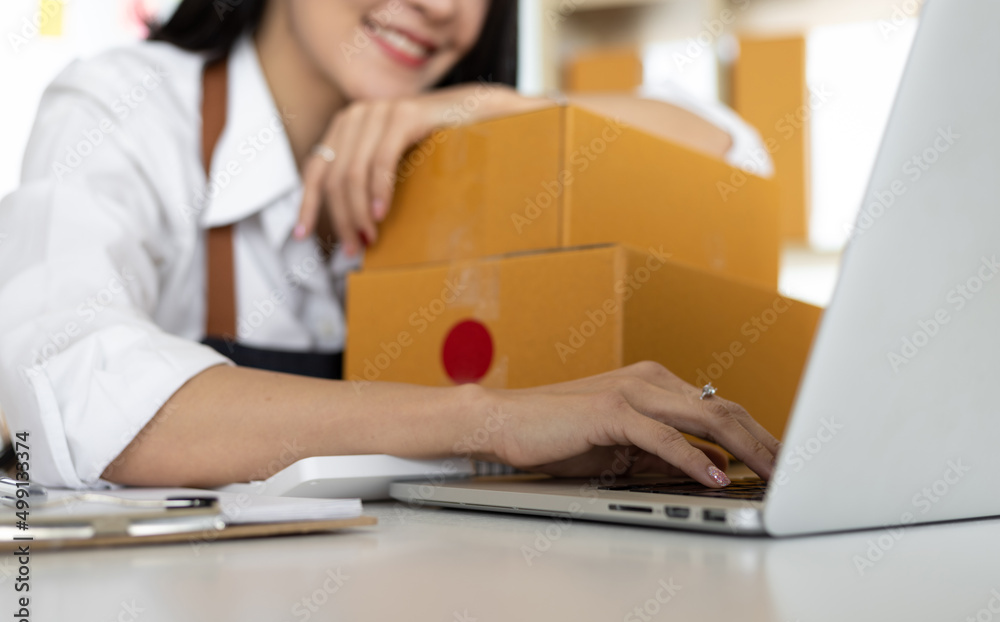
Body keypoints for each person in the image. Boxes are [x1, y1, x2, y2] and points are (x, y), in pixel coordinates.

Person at [0, 0, 779, 491]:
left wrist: (493, 106)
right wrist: (488, 420)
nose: (439, 6)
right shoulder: (124, 106)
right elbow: (57, 383)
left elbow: (738, 157)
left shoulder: (472, 145)